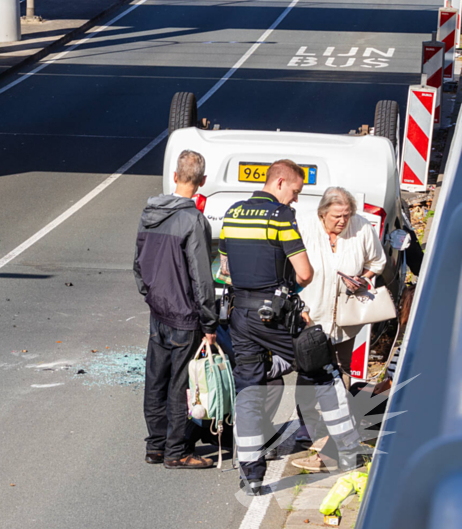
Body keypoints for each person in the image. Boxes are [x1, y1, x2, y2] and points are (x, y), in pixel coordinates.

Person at [219, 160, 370, 496]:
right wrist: (288, 291)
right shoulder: (279, 217)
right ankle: (347, 452)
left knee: (249, 389)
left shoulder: (232, 214)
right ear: (281, 182)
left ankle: (251, 476)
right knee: (324, 370)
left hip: (240, 315)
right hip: (274, 314)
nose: (295, 200)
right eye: (296, 192)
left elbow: (225, 268)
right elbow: (304, 273)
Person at [134, 150, 218, 470]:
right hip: (184, 315)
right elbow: (201, 276)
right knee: (180, 385)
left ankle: (155, 446)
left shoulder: (149, 213)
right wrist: (209, 321)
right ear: (202, 182)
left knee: (155, 380)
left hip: (158, 311)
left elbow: (138, 265)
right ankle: (176, 451)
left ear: (175, 176)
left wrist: (151, 296)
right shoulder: (193, 220)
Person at [292, 187, 386, 472]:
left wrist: (363, 279)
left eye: (347, 215)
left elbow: (377, 262)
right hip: (311, 317)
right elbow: (290, 265)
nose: (342, 221)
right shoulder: (305, 226)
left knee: (340, 375)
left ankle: (338, 437)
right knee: (309, 375)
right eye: (337, 216)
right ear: (323, 213)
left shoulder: (361, 228)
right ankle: (310, 429)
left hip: (345, 320)